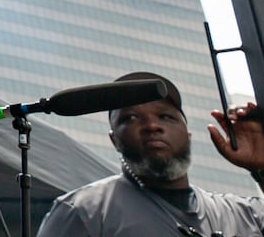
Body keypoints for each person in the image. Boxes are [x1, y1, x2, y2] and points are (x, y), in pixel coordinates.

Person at [36, 72, 264, 235]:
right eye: (131, 118)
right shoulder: (84, 212)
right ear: (114, 139)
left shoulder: (244, 214)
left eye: (165, 116)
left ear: (188, 133)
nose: (151, 126)